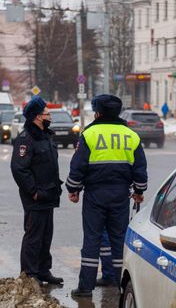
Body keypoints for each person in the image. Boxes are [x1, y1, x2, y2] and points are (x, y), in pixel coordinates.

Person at [67, 94, 147, 297]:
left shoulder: (90, 134)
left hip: (95, 195)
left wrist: (73, 189)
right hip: (121, 195)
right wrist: (138, 191)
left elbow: (78, 165)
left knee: (92, 239)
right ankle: (120, 282)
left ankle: (85, 287)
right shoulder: (131, 135)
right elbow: (139, 168)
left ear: (98, 112)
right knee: (119, 239)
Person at [10, 96, 64, 286]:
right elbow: (19, 168)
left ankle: (43, 270)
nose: (50, 116)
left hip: (48, 194)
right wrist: (33, 191)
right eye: (47, 113)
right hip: (36, 196)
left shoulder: (46, 136)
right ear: (37, 117)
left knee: (46, 234)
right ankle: (29, 273)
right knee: (34, 236)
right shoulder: (27, 139)